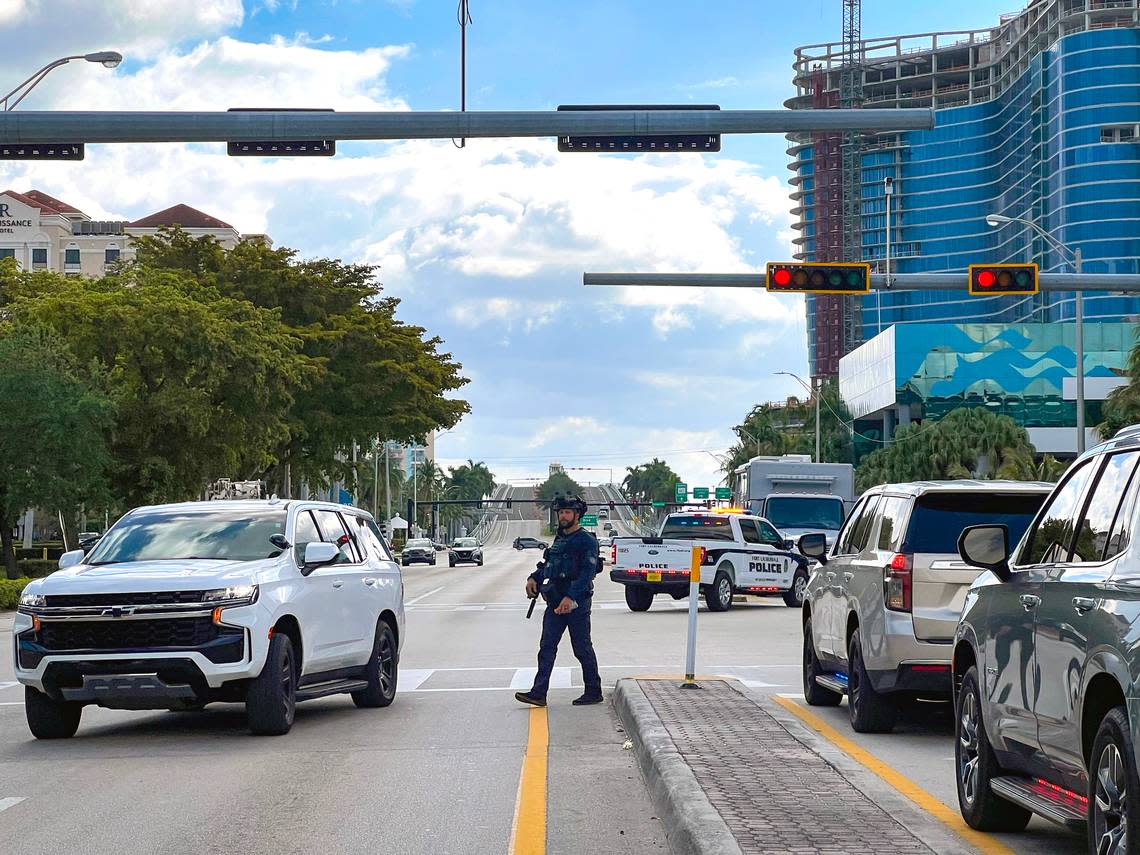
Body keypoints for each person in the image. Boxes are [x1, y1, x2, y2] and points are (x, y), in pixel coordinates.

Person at [515, 495, 602, 707]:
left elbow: (587, 574)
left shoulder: (586, 541)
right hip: (555, 600)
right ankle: (538, 693)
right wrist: (533, 577)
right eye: (561, 512)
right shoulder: (560, 539)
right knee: (547, 647)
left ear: (577, 515)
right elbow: (549, 564)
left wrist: (570, 597)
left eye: (567, 512)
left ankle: (593, 690)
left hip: (576, 603)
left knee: (581, 648)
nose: (563, 516)